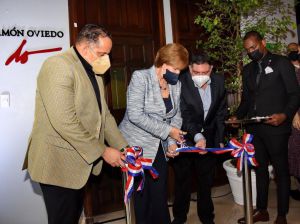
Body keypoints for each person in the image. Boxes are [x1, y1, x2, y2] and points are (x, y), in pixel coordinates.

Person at [22, 24, 128, 224]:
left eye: (108, 54)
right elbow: (64, 121)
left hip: (80, 162)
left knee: (72, 216)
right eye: (102, 53)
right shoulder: (57, 65)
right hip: (57, 163)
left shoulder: (94, 70)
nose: (106, 59)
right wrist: (104, 151)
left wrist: (125, 148)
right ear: (85, 48)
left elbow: (104, 116)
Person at [231, 31, 300, 224]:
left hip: (277, 127)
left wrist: (285, 115)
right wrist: (238, 115)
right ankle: (262, 210)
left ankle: (281, 215)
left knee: (281, 171)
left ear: (263, 42)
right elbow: (246, 100)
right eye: (247, 50)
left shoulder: (281, 63)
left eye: (253, 47)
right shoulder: (247, 70)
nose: (251, 52)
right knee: (259, 170)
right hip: (254, 128)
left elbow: (294, 94)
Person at [119, 43, 189, 224]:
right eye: (175, 69)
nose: (178, 73)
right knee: (142, 198)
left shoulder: (176, 84)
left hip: (159, 145)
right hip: (136, 146)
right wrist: (169, 132)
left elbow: (176, 115)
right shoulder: (141, 78)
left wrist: (172, 143)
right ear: (163, 63)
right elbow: (135, 114)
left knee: (159, 196)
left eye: (180, 70)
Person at [171, 53, 227, 224]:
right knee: (182, 181)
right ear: (189, 69)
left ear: (211, 69)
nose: (200, 76)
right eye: (196, 72)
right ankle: (180, 217)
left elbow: (220, 112)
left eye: (205, 72)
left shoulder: (219, 81)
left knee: (206, 181)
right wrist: (197, 137)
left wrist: (219, 138)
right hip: (186, 138)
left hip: (209, 140)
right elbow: (184, 115)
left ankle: (207, 217)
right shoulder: (180, 82)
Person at [287, 42, 300, 201]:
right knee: (294, 151)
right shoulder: (287, 70)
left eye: (295, 50)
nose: (294, 53)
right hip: (293, 116)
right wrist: (295, 114)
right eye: (291, 51)